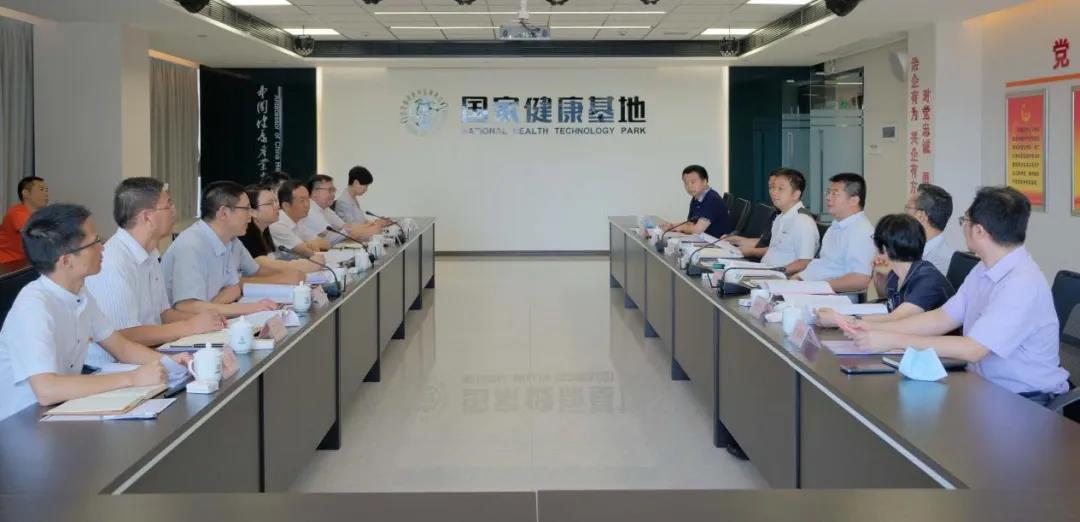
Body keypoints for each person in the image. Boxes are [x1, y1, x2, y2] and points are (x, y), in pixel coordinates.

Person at [845, 187, 1069, 406]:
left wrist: (893, 340)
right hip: (982, 387)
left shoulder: (1021, 283)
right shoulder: (983, 268)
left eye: (965, 221)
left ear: (979, 230)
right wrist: (876, 328)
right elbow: (943, 317)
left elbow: (973, 349)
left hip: (1024, 400)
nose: (964, 227)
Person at [0, 204, 191, 420]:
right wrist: (132, 378)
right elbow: (46, 390)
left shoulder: (80, 293)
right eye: (94, 242)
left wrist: (169, 362)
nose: (103, 248)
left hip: (63, 408)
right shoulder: (34, 307)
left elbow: (121, 347)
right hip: (24, 420)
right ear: (66, 261)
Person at [83, 178, 226, 366]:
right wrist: (189, 326)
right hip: (110, 368)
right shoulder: (113, 261)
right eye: (168, 205)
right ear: (147, 217)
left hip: (148, 355)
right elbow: (125, 335)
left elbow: (163, 314)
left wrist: (207, 321)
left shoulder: (150, 253)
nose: (174, 211)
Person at [162, 181, 302, 317]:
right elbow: (187, 307)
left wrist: (288, 273)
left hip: (215, 317)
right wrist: (250, 307)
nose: (250, 216)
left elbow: (244, 280)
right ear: (223, 213)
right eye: (246, 209)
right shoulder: (191, 246)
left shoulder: (232, 241)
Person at [818, 214, 953, 327]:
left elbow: (897, 318)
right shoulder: (897, 273)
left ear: (884, 247)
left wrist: (840, 320)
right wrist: (879, 274)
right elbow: (889, 303)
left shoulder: (927, 279)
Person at [791, 173, 875, 293]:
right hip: (809, 287)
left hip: (831, 296)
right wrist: (798, 278)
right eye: (829, 192)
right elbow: (824, 265)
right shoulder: (836, 226)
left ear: (854, 200)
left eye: (835, 193)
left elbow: (860, 279)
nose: (828, 197)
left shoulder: (861, 231)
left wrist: (815, 287)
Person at [725, 168, 818, 274]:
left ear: (795, 194)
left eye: (780, 189)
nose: (773, 192)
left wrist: (774, 272)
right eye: (773, 188)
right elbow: (774, 249)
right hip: (765, 269)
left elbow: (804, 263)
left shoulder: (803, 221)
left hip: (780, 277)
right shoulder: (780, 217)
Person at [239, 184, 325, 273]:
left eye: (275, 201)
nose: (277, 206)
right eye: (270, 203)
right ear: (253, 212)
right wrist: (307, 264)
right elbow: (267, 268)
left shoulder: (264, 232)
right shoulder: (246, 239)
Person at [302, 174, 382, 241]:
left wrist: (371, 225)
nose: (333, 194)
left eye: (334, 190)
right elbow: (334, 237)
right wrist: (372, 229)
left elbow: (345, 227)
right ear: (314, 192)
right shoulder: (310, 210)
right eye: (330, 190)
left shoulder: (325, 209)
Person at [661, 165, 733, 238]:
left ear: (704, 182)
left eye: (693, 182)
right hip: (704, 239)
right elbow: (690, 223)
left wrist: (678, 228)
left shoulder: (712, 200)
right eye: (686, 183)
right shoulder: (696, 198)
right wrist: (672, 226)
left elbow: (697, 230)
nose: (689, 186)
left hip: (717, 242)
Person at [270, 180, 330, 258]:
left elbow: (326, 244)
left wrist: (312, 244)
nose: (307, 205)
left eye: (308, 200)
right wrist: (310, 245)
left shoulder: (298, 220)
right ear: (286, 205)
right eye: (302, 201)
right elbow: (306, 252)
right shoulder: (278, 224)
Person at [0, 176, 49, 264]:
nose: (46, 194)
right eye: (41, 189)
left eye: (46, 190)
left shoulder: (40, 216)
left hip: (24, 263)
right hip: (6, 265)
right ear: (25, 193)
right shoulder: (17, 212)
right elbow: (37, 236)